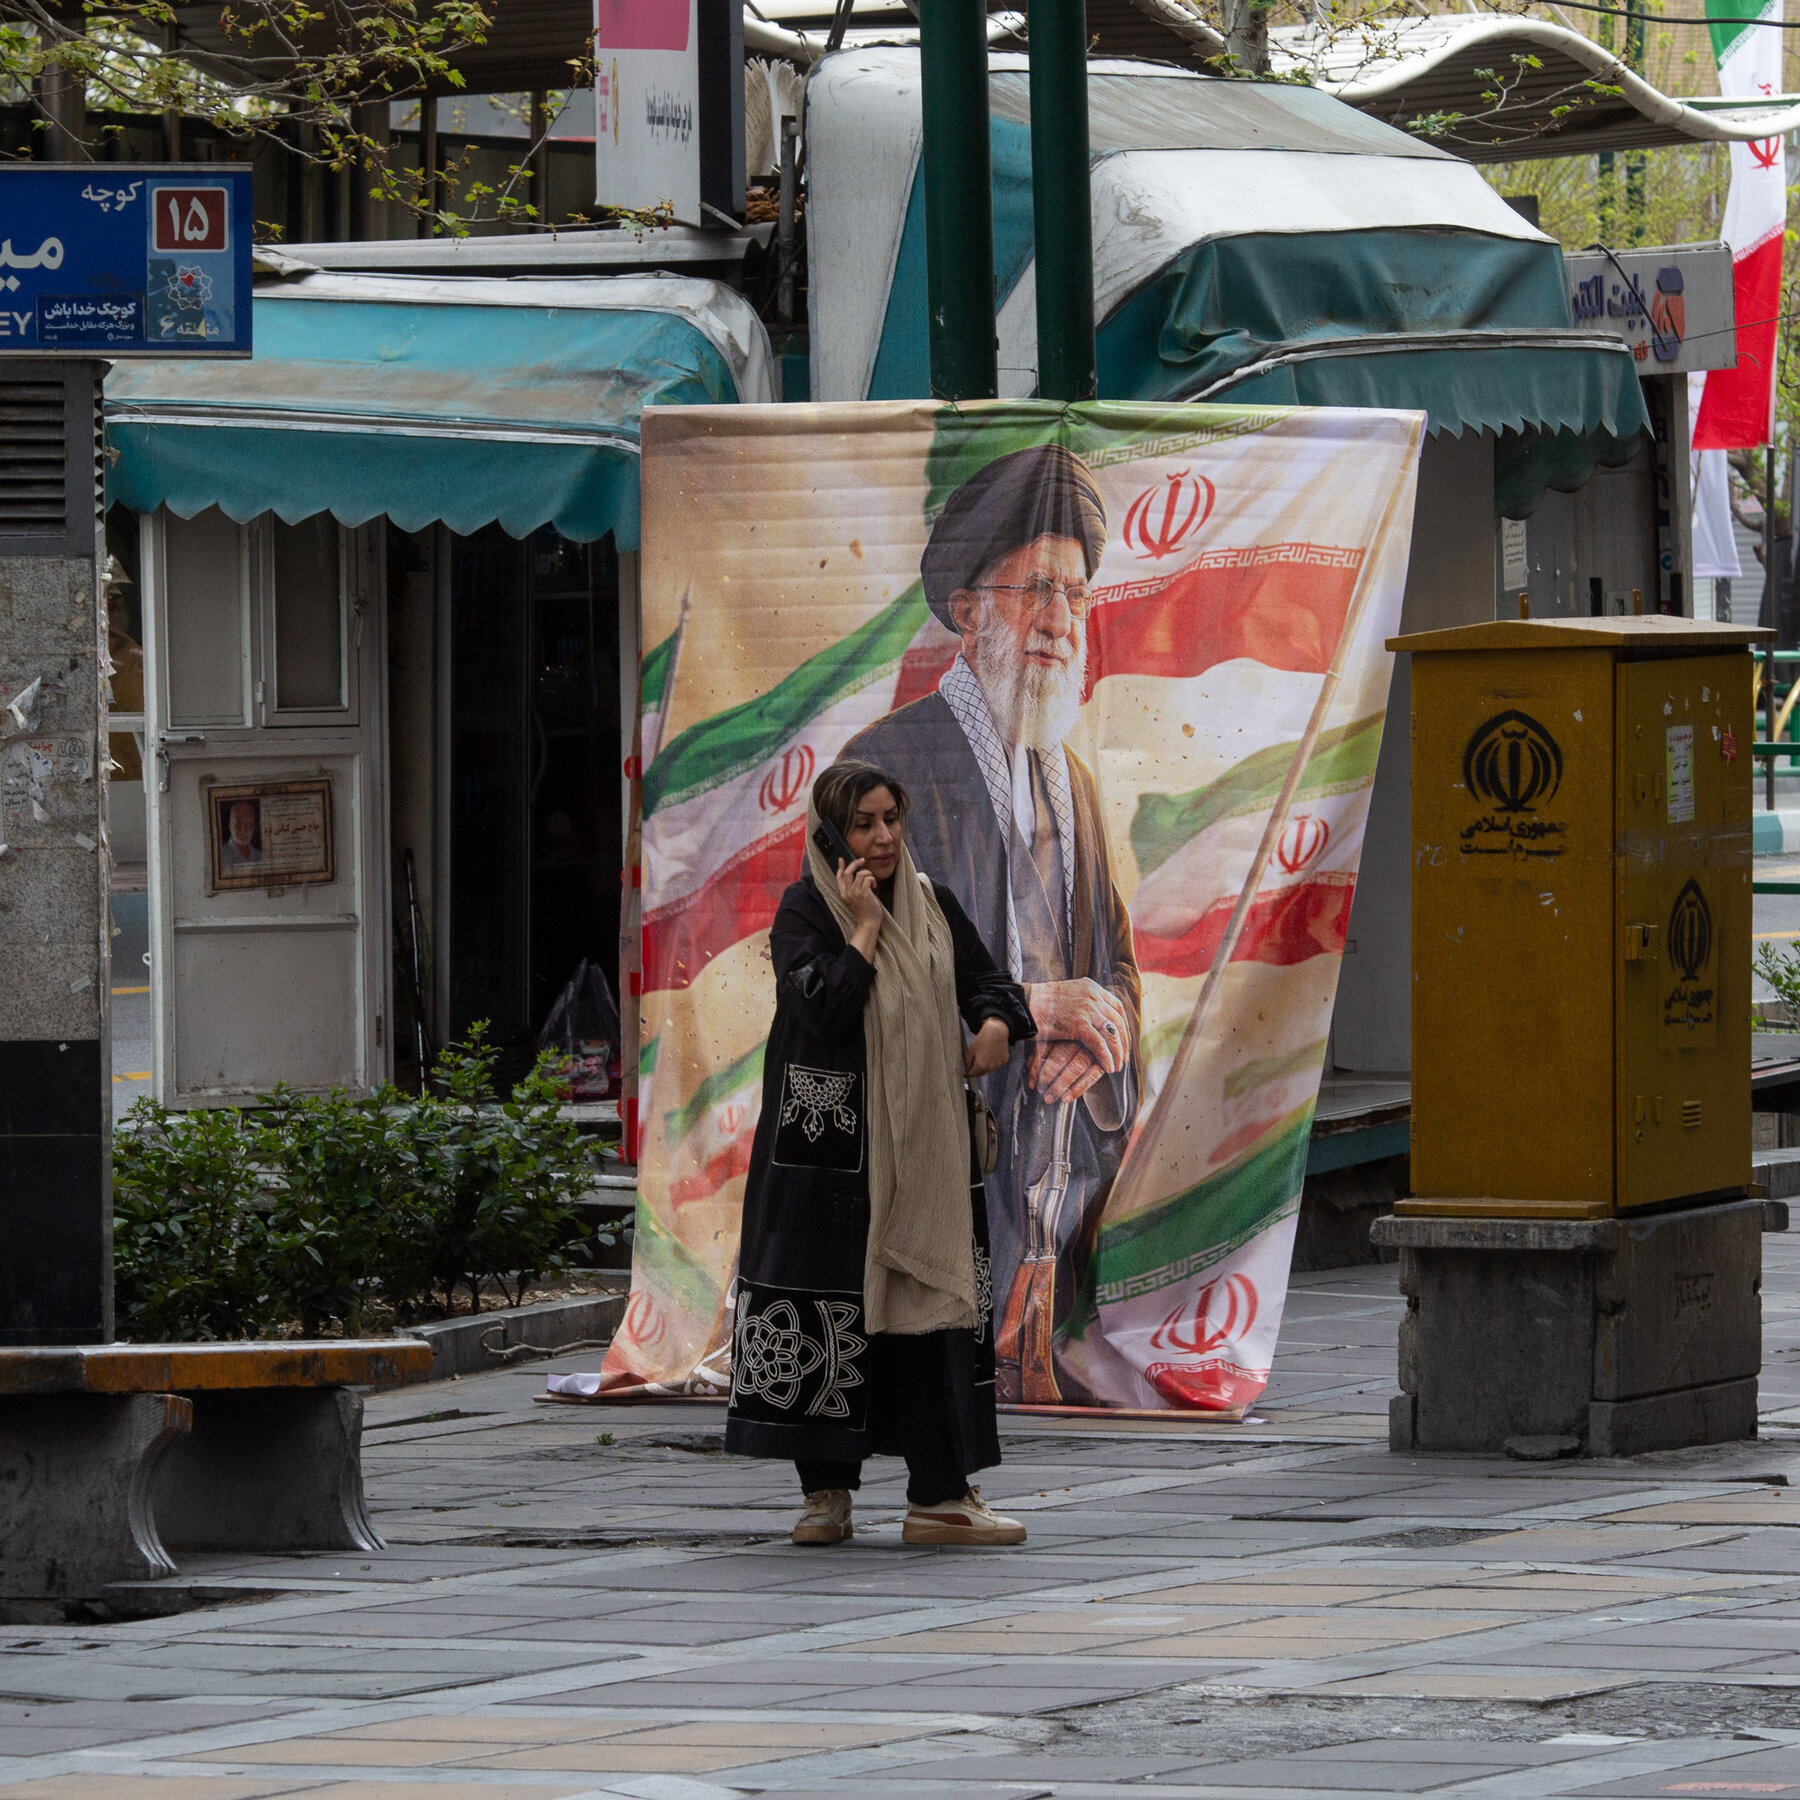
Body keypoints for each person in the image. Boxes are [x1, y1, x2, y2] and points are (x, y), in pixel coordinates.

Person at [844, 444, 1141, 1406]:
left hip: (1056, 1184)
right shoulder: (884, 767)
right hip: (944, 1162)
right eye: (1036, 590)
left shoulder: (1074, 782)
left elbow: (1119, 969)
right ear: (969, 611)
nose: (1059, 620)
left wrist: (1096, 1040)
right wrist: (1032, 1007)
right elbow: (862, 964)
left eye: (1076, 596)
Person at [724, 759, 1036, 1546]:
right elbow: (824, 1010)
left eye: (891, 819)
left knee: (928, 1313)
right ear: (831, 836)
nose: (883, 837)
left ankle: (939, 1497)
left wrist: (994, 1024)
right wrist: (863, 928)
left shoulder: (932, 905)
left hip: (924, 1158)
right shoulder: (804, 910)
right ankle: (825, 1495)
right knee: (828, 1316)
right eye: (863, 824)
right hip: (827, 1163)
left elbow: (993, 986)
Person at [221, 798, 261, 867]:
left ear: (254, 827)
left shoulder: (260, 856)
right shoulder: (220, 856)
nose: (243, 830)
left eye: (248, 824)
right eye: (238, 823)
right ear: (230, 825)